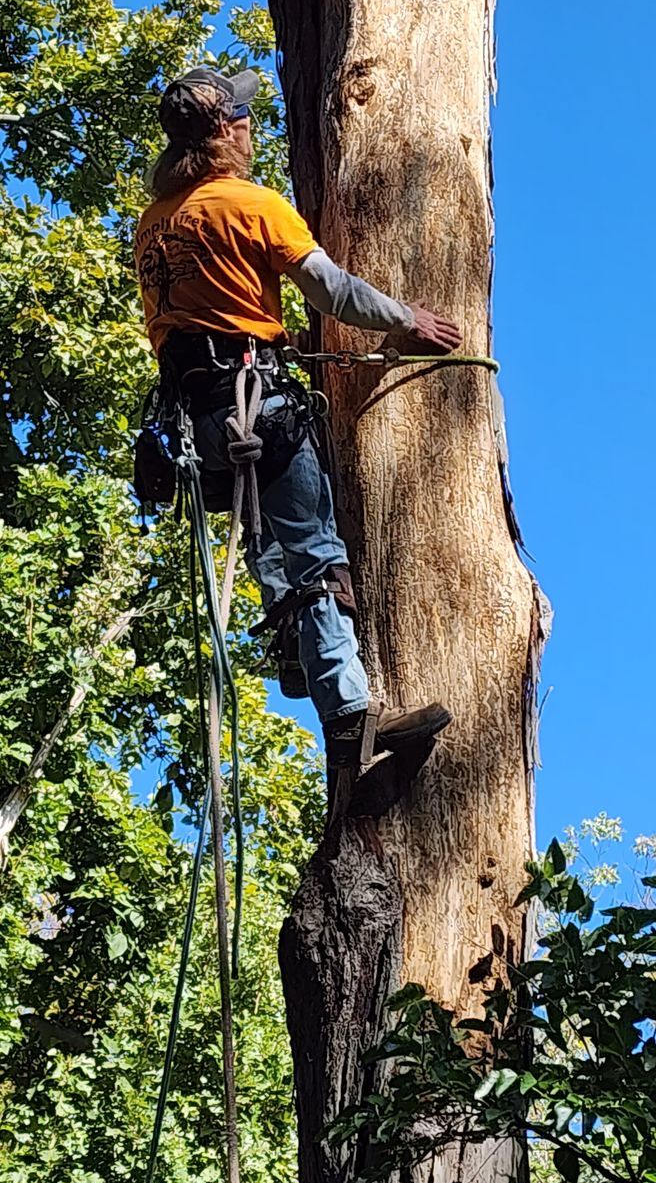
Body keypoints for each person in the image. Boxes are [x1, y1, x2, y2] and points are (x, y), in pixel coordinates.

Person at [134, 65, 460, 783]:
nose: (251, 126)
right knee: (315, 555)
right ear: (224, 131)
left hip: (198, 426)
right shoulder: (249, 205)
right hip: (258, 402)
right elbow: (333, 290)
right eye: (243, 117)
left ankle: (296, 655)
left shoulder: (152, 226)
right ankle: (349, 719)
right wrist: (409, 322)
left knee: (270, 553)